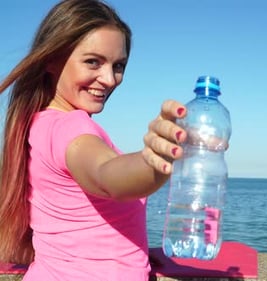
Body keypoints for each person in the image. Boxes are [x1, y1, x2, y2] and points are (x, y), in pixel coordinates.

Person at [0, 0, 187, 280]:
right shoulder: (71, 128)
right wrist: (155, 160)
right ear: (51, 59)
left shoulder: (39, 123)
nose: (109, 79)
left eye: (118, 65)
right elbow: (106, 175)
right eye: (93, 62)